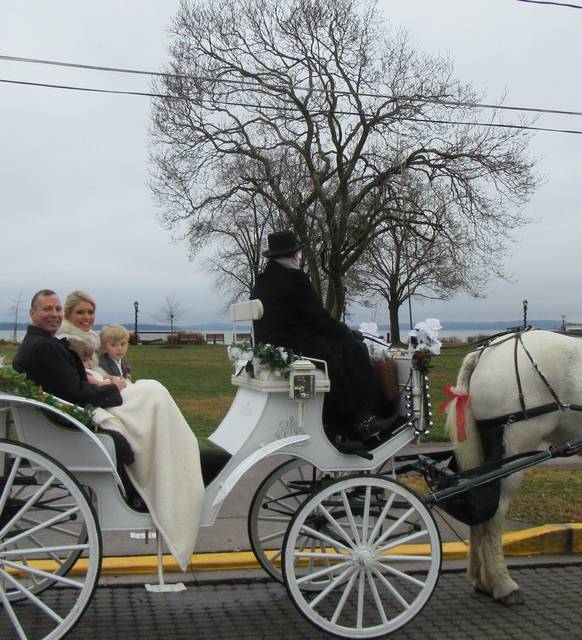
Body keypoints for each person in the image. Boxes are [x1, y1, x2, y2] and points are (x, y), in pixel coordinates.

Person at [14, 289, 204, 571]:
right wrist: (110, 388)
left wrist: (104, 386)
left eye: (56, 309)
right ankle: (170, 468)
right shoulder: (44, 347)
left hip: (77, 409)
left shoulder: (40, 344)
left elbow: (71, 388)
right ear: (33, 314)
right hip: (82, 414)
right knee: (154, 392)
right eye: (47, 310)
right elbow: (76, 393)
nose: (53, 314)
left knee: (152, 391)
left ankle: (171, 456)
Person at [250, 230, 397, 440]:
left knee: (338, 349)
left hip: (275, 344)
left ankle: (344, 421)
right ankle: (363, 418)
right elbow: (318, 318)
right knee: (354, 349)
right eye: (298, 254)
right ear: (294, 255)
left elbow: (303, 318)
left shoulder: (263, 281)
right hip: (294, 344)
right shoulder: (293, 277)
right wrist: (349, 333)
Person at [57, 289, 126, 389]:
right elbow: (82, 378)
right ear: (67, 315)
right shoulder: (67, 342)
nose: (86, 317)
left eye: (90, 312)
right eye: (80, 312)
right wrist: (110, 381)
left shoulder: (92, 339)